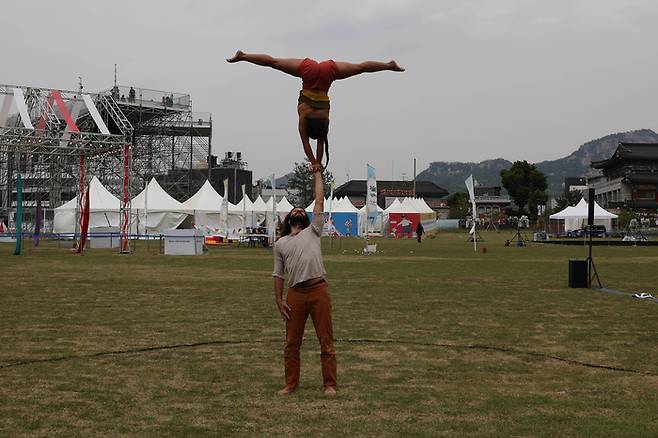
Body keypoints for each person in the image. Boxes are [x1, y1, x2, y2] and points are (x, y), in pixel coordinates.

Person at [227, 50, 404, 172]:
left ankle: (389, 66)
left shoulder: (323, 122)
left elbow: (321, 142)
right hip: (309, 72)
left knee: (360, 68)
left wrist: (317, 163)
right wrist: (314, 163)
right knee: (275, 63)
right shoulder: (304, 120)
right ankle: (243, 56)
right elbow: (307, 143)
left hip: (327, 74)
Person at [272, 166, 336, 396]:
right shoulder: (280, 244)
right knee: (291, 343)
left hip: (318, 289)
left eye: (301, 210)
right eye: (295, 210)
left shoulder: (314, 231)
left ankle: (329, 384)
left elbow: (319, 201)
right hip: (296, 294)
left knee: (325, 340)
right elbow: (278, 274)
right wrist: (279, 301)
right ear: (289, 219)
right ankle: (291, 384)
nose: (298, 211)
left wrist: (318, 173)